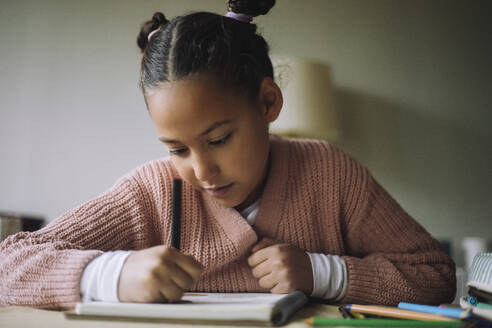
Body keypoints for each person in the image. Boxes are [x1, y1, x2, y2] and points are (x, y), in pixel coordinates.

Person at [0, 0, 456, 310]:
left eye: (218, 139)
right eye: (177, 148)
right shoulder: (153, 191)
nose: (201, 171)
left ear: (268, 103)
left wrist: (324, 273)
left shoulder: (330, 173)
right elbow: (8, 264)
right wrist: (110, 274)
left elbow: (435, 275)